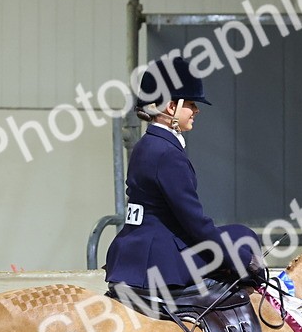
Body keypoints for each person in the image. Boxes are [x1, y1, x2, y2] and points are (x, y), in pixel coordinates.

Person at [104, 57, 265, 295]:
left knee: (240, 233)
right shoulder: (166, 154)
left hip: (133, 249)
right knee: (244, 242)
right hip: (158, 260)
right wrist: (240, 260)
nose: (196, 110)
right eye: (191, 103)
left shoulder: (147, 144)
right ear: (171, 107)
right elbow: (195, 224)